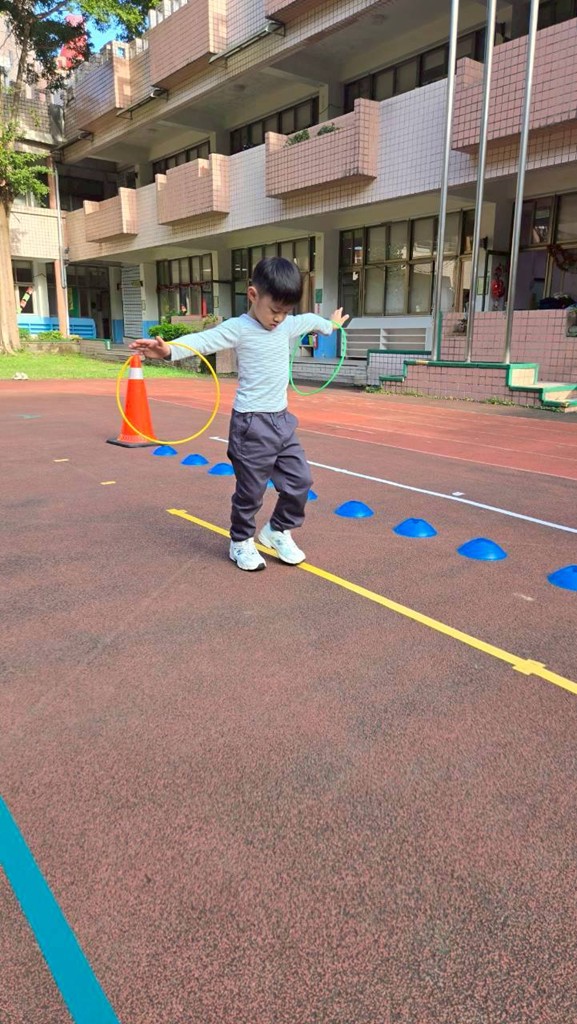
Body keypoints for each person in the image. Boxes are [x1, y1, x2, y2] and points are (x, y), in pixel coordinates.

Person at [130, 256, 349, 571]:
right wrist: (168, 350)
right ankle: (241, 541)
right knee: (251, 491)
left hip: (282, 421)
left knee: (300, 481)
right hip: (251, 423)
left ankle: (277, 530)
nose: (279, 319)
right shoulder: (239, 328)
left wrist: (332, 325)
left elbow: (313, 321)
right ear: (253, 295)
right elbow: (203, 340)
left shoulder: (288, 323)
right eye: (275, 310)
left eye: (286, 312)